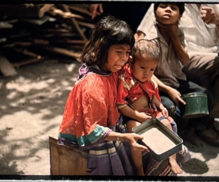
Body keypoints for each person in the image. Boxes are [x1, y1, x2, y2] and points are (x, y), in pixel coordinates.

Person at [58, 16, 174, 176]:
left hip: (113, 124)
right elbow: (92, 131)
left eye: (127, 53)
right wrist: (125, 137)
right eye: (119, 52)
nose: (124, 58)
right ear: (102, 48)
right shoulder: (93, 85)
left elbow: (142, 67)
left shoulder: (112, 66)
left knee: (164, 126)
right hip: (98, 138)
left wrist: (164, 91)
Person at [134, 3, 219, 149]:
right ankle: (170, 142)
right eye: (163, 6)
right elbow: (146, 73)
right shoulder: (150, 40)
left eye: (173, 8)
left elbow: (185, 61)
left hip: (176, 79)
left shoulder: (179, 33)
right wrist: (168, 90)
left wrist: (174, 36)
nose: (168, 9)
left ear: (180, 16)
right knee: (170, 108)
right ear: (155, 12)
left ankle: (192, 130)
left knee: (205, 96)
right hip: (158, 84)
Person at [117, 39, 189, 175]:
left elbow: (153, 96)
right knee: (134, 130)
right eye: (142, 68)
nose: (147, 73)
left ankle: (172, 158)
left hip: (150, 113)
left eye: (152, 70)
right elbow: (121, 105)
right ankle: (139, 169)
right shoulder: (126, 80)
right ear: (131, 62)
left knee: (167, 124)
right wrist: (138, 116)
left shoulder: (149, 81)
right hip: (133, 115)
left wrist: (160, 105)